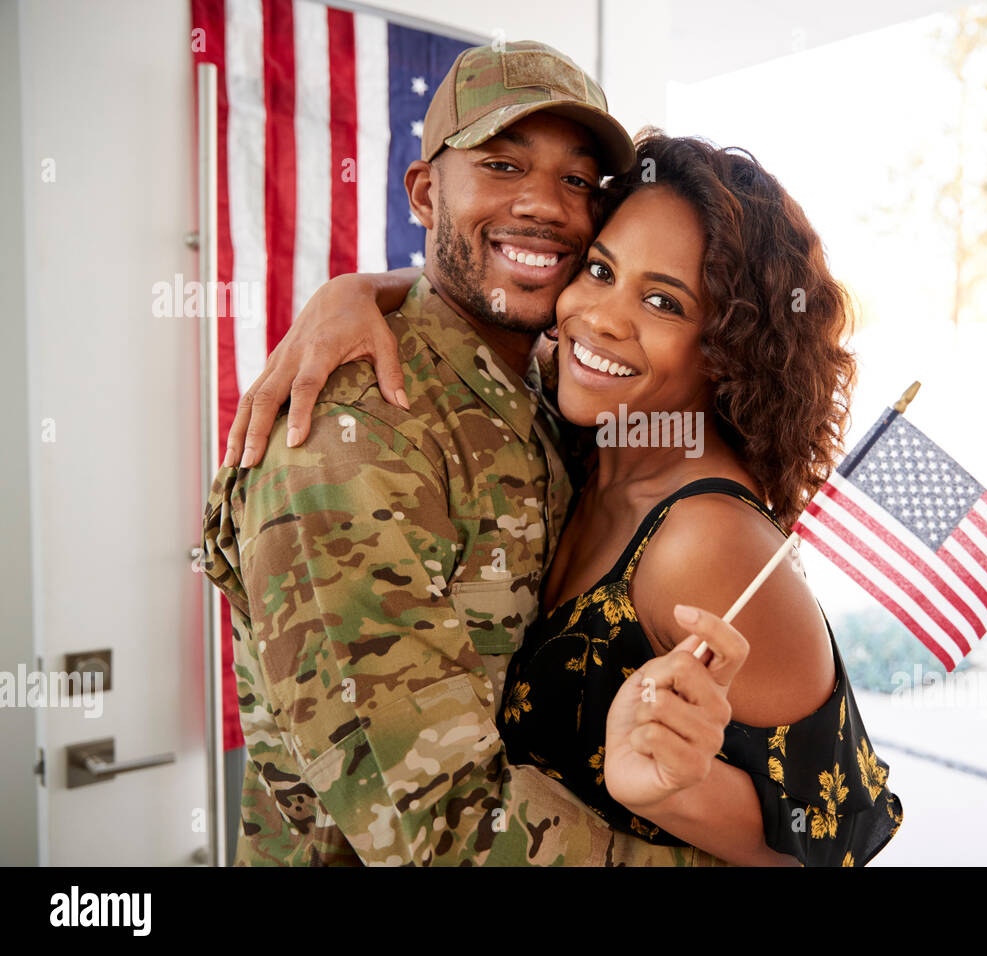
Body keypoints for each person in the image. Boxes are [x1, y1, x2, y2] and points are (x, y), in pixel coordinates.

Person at [226, 131, 906, 864]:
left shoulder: (706, 542)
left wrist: (672, 788)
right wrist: (351, 293)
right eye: (601, 269)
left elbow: (834, 838)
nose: (602, 317)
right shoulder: (574, 426)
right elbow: (468, 299)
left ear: (728, 348)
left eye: (662, 301)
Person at [202, 40, 768, 866]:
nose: (545, 206)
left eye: (577, 182)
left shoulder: (548, 388)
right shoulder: (349, 442)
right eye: (502, 166)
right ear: (426, 192)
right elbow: (446, 830)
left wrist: (362, 287)